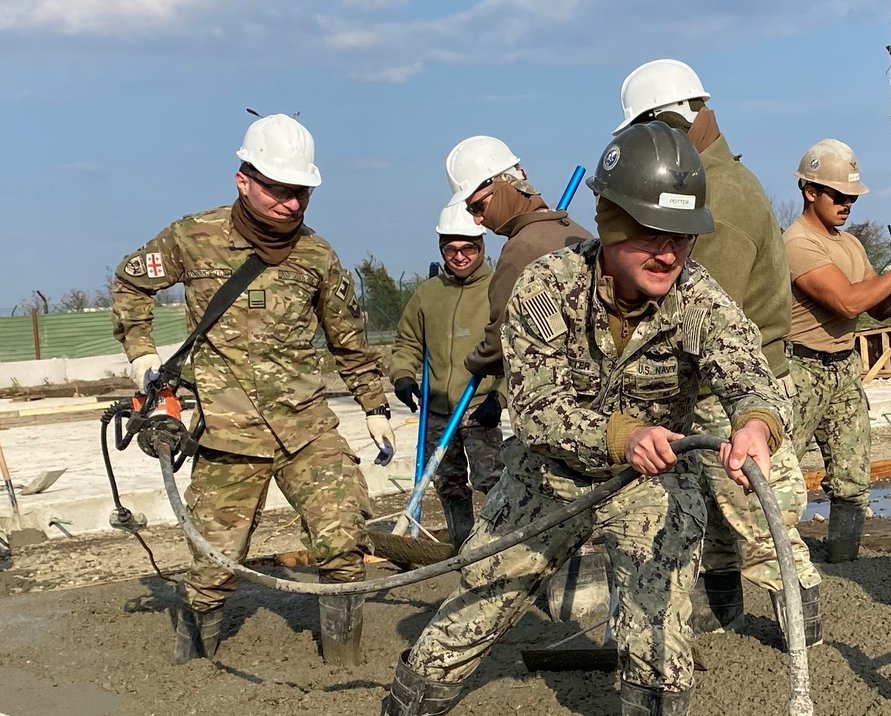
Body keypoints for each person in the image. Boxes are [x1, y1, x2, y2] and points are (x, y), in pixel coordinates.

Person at [379, 122, 791, 716]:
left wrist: (756, 425)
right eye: (652, 234)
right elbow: (537, 409)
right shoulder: (546, 287)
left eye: (682, 236)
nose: (669, 253)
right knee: (474, 611)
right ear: (612, 223)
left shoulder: (698, 297)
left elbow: (750, 374)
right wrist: (622, 436)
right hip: (548, 481)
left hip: (653, 486)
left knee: (658, 636)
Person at [111, 114, 394, 667]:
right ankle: (195, 667)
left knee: (343, 543)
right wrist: (141, 351)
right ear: (244, 180)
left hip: (306, 429)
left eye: (301, 192)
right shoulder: (192, 237)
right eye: (278, 189)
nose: (291, 203)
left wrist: (373, 404)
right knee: (213, 566)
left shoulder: (317, 255)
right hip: (227, 433)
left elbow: (348, 339)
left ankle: (343, 666)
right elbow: (130, 281)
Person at [613, 58, 822, 643]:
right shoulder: (714, 179)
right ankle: (724, 615)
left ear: (671, 122)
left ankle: (803, 633)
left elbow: (707, 313)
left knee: (759, 519)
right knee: (719, 516)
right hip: (723, 385)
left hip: (727, 388)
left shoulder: (718, 193)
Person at [784, 138, 891, 562]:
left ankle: (845, 562)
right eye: (838, 195)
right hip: (801, 371)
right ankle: (766, 559)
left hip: (843, 368)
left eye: (852, 197)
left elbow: (880, 306)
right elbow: (848, 302)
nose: (847, 204)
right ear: (810, 192)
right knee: (779, 474)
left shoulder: (850, 244)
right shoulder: (798, 243)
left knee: (852, 478)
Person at [390, 203, 504, 549]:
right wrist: (403, 375)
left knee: (492, 480)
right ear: (441, 250)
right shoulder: (428, 293)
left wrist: (500, 397)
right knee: (447, 482)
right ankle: (462, 546)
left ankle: (501, 545)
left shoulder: (497, 289)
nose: (459, 256)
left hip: (479, 406)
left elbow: (516, 352)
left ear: (481, 247)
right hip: (437, 408)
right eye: (450, 249)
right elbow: (408, 341)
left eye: (468, 248)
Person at [444, 135, 591, 385]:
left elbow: (499, 341)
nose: (477, 220)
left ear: (505, 183)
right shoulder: (579, 232)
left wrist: (474, 362)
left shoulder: (519, 251)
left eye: (478, 207)